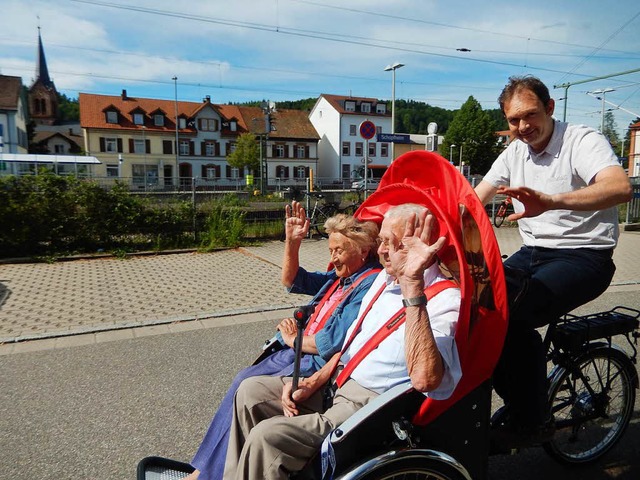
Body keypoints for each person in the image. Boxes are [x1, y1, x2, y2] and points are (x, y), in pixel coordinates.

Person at [223, 204, 462, 480]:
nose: (380, 251)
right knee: (250, 391)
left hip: (367, 407)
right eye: (381, 241)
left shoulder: (445, 299)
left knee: (267, 438)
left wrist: (413, 284)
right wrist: (315, 380)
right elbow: (353, 343)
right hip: (334, 382)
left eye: (390, 243)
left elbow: (426, 379)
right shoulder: (384, 279)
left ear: (422, 246)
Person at [474, 75, 633, 445]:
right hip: (533, 253)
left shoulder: (581, 140)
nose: (522, 127)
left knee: (510, 317)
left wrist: (551, 201)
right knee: (474, 306)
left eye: (530, 115)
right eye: (513, 120)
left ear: (549, 107)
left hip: (585, 256)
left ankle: (532, 418)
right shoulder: (515, 150)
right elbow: (473, 199)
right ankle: (512, 399)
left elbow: (619, 187)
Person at [186, 202, 381, 480]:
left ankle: (207, 473)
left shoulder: (367, 283)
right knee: (244, 384)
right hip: (296, 350)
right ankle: (212, 470)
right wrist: (292, 241)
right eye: (330, 251)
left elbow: (330, 343)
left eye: (339, 250)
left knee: (245, 383)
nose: (333, 258)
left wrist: (292, 339)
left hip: (308, 359)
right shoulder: (341, 277)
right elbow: (291, 280)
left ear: (363, 250)